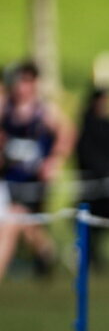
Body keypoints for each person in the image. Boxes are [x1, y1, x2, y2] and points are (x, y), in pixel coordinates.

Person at [0, 60, 73, 281]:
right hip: (7, 181)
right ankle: (47, 252)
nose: (25, 86)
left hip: (33, 184)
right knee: (26, 226)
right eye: (22, 80)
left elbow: (67, 133)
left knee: (14, 222)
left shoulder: (44, 111)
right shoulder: (5, 107)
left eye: (30, 80)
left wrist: (54, 161)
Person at [75, 86, 109, 269]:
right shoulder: (87, 125)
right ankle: (89, 253)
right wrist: (101, 171)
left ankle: (92, 252)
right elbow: (84, 153)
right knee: (91, 219)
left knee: (107, 219)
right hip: (93, 183)